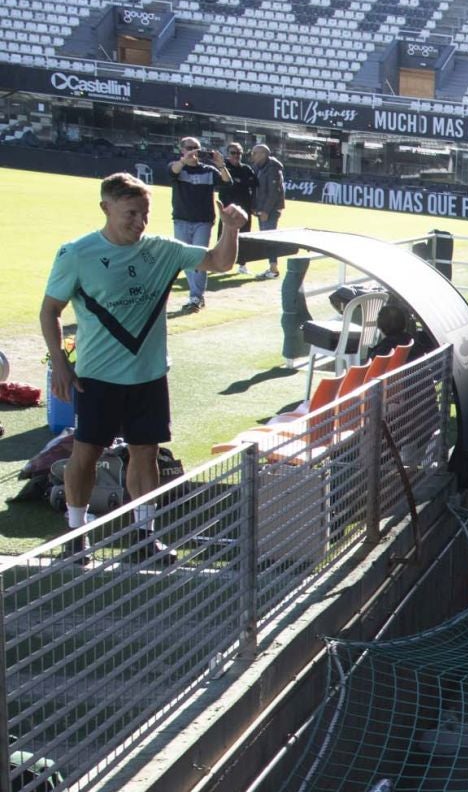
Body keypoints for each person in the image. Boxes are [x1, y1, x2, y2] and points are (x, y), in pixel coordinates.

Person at [39, 173, 245, 561]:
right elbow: (50, 310)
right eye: (130, 214)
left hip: (149, 376)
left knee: (145, 453)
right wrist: (62, 364)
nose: (139, 222)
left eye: (145, 214)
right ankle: (75, 533)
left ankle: (143, 536)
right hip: (97, 378)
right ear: (106, 208)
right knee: (85, 454)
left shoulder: (161, 249)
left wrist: (230, 228)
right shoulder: (77, 254)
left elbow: (219, 261)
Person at [167, 136, 229, 313]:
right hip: (181, 219)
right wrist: (183, 161)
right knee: (186, 259)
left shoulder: (208, 171)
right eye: (189, 147)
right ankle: (195, 294)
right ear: (182, 149)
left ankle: (196, 295)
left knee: (199, 258)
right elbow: (172, 172)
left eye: (196, 148)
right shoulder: (177, 167)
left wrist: (221, 165)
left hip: (203, 220)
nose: (194, 151)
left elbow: (227, 182)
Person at [249, 143, 287, 278]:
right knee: (266, 238)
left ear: (264, 154)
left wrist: (265, 210)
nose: (252, 155)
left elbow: (273, 193)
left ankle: (273, 268)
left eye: (255, 153)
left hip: (270, 210)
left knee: (269, 238)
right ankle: (272, 267)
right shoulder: (258, 168)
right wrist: (254, 207)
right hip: (262, 209)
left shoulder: (272, 169)